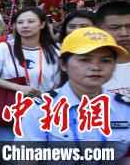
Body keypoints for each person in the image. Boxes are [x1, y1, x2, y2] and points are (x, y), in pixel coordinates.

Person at [19, 27, 130, 158]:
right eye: (85, 60)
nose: (96, 67)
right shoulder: (40, 109)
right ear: (63, 65)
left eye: (106, 61)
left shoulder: (125, 108)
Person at [0, 7, 60, 142]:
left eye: (31, 21)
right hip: (11, 109)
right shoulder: (4, 48)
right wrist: (21, 88)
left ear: (42, 24)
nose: (25, 25)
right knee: (13, 156)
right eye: (20, 22)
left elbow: (59, 81)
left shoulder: (56, 50)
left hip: (45, 111)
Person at [96, 0, 130, 95]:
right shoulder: (86, 67)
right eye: (114, 28)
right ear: (98, 29)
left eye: (129, 27)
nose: (124, 33)